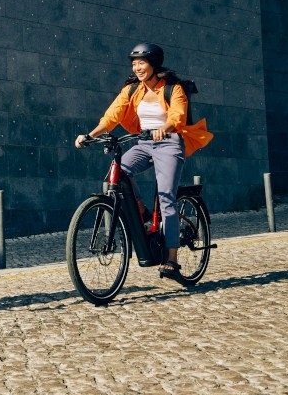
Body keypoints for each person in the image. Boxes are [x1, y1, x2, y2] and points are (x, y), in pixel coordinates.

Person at [74, 43, 213, 279]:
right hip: (144, 143)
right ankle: (143, 213)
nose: (137, 68)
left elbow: (178, 115)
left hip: (169, 143)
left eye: (142, 63)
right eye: (134, 63)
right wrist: (89, 135)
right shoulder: (132, 90)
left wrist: (165, 128)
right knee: (115, 177)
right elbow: (111, 116)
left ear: (153, 64)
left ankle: (171, 259)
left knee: (167, 198)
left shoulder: (172, 88)